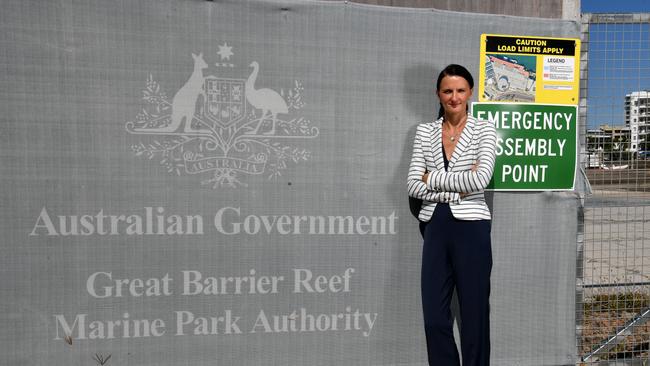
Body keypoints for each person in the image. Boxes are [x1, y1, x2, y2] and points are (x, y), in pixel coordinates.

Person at [406, 64, 496, 365]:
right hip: (435, 227)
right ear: (438, 94)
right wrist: (454, 186)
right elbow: (412, 185)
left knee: (474, 317)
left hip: (472, 228)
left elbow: (480, 179)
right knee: (434, 317)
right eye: (447, 91)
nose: (454, 97)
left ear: (469, 92)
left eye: (460, 90)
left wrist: (432, 178)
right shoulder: (424, 132)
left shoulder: (484, 129)